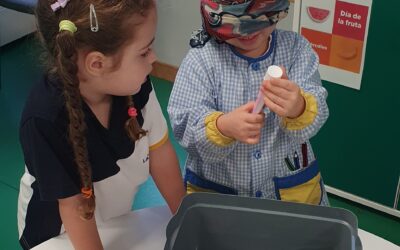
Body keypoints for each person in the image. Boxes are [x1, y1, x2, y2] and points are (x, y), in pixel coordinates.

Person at [17, 0, 185, 249]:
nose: (154, 57)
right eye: (144, 51)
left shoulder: (135, 87)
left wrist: (187, 219)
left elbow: (159, 152)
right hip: (59, 234)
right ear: (97, 64)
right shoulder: (45, 118)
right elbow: (73, 207)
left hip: (114, 218)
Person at [168, 0, 329, 207]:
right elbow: (184, 124)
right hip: (220, 198)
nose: (248, 32)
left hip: (289, 195)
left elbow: (318, 110)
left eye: (259, 20)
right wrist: (222, 127)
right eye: (235, 24)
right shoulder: (201, 60)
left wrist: (299, 107)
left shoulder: (296, 50)